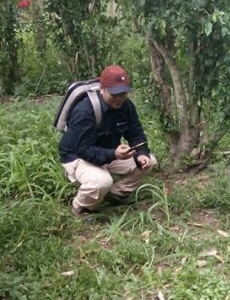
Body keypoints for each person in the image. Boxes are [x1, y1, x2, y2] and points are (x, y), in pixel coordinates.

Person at [59, 64, 157, 218]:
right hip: (77, 156)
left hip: (109, 153)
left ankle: (116, 194)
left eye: (123, 94)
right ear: (102, 89)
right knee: (102, 181)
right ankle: (81, 208)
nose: (119, 98)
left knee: (149, 162)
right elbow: (83, 150)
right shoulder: (85, 110)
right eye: (114, 94)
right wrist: (115, 154)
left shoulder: (127, 107)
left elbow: (136, 133)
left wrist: (141, 153)